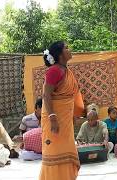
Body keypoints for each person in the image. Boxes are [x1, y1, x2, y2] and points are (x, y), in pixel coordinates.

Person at [39, 41, 80, 180]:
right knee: (54, 151)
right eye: (66, 48)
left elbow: (71, 96)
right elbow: (46, 95)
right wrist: (52, 118)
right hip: (54, 119)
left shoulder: (66, 71)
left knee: (65, 150)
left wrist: (73, 114)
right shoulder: (54, 70)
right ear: (60, 54)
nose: (70, 50)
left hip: (65, 120)